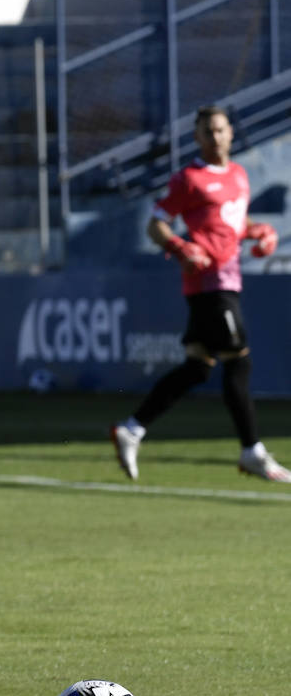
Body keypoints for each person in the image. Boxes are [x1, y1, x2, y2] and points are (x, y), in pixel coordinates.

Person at [110, 105, 287, 483]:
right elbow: (156, 224)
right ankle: (251, 451)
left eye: (221, 130)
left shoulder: (239, 175)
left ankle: (132, 429)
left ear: (231, 134)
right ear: (197, 138)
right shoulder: (189, 179)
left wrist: (259, 232)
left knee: (197, 368)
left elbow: (236, 221)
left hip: (230, 279)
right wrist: (178, 246)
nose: (216, 137)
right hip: (210, 284)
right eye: (208, 132)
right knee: (238, 361)